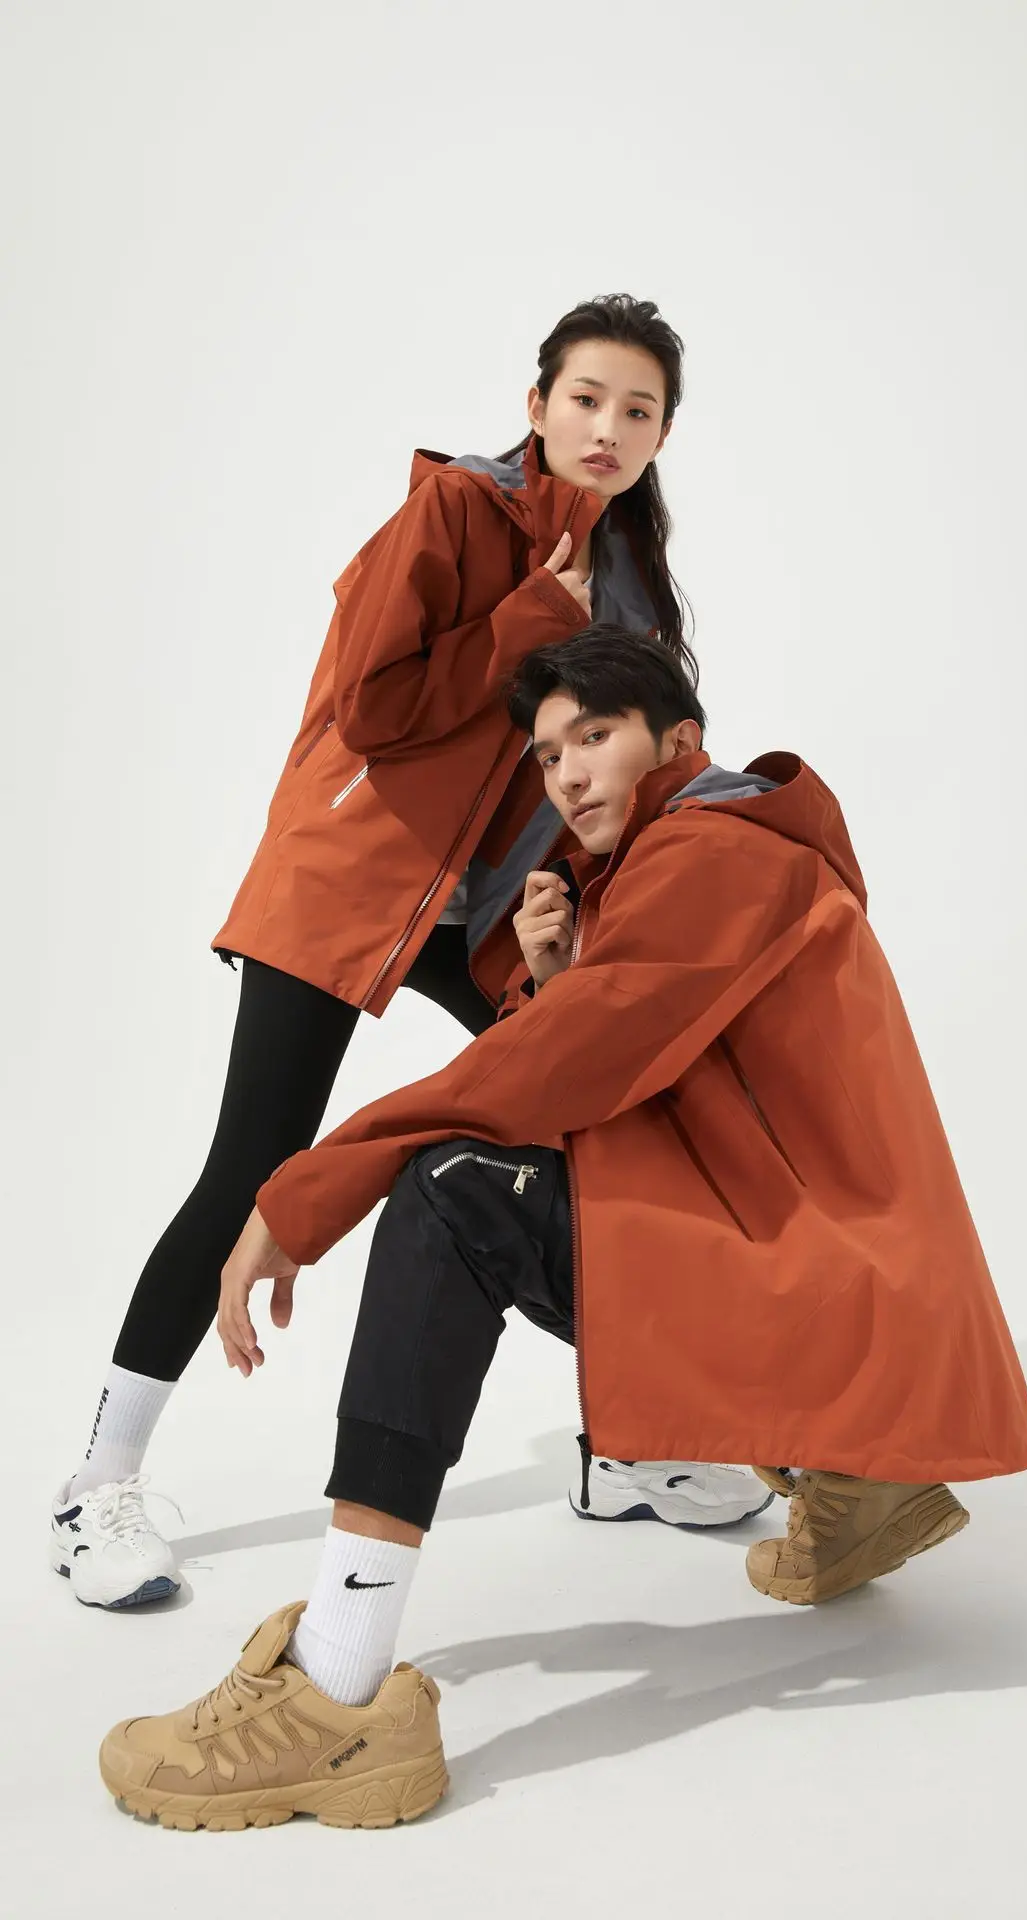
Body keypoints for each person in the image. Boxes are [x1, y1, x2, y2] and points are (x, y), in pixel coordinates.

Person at [99, 626, 1027, 1831]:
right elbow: (608, 1102)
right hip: (840, 1293)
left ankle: (338, 1689)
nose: (566, 776)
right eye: (547, 756)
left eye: (594, 737)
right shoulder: (686, 860)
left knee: (449, 1189)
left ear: (678, 739)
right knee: (484, 1180)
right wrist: (555, 981)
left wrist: (306, 1191)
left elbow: (556, 1079)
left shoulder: (717, 853)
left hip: (837, 1296)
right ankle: (858, 1477)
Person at [49, 294, 772, 1618]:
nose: (607, 428)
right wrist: (525, 623)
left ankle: (625, 1446)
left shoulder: (628, 566)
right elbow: (373, 709)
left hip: (492, 917)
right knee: (254, 1164)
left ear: (664, 434)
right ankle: (96, 1485)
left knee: (609, 1134)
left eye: (638, 411)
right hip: (351, 880)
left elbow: (614, 761)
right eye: (586, 399)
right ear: (537, 402)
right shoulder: (454, 513)